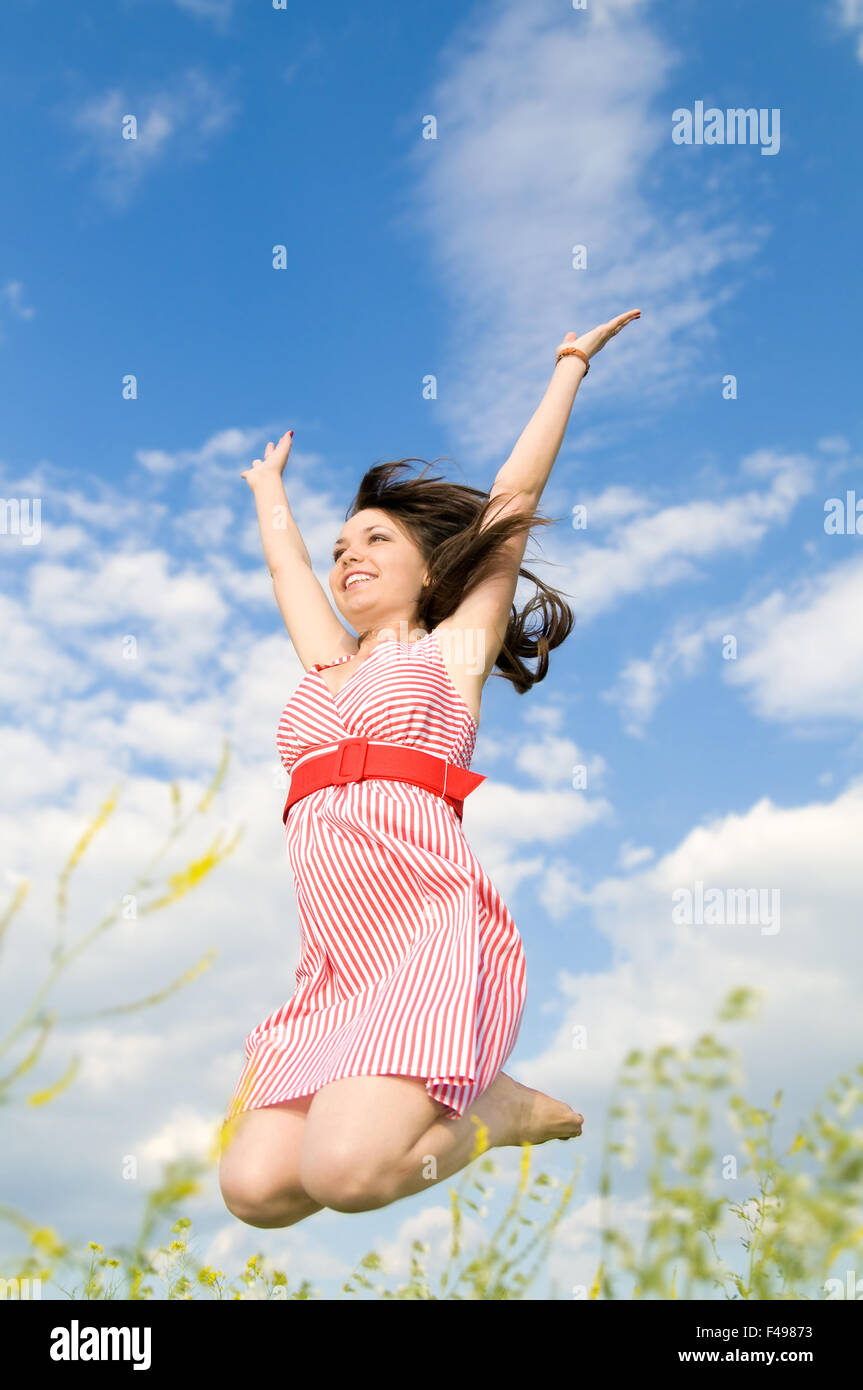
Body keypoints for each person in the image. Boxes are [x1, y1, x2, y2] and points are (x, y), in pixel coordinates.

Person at [219, 313, 641, 1228]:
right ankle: (445, 1104)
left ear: (429, 565)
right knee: (254, 1192)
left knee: (351, 1177)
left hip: (422, 931)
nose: (348, 559)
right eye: (341, 549)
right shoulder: (329, 664)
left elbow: (513, 495)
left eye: (373, 541)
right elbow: (286, 570)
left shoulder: (453, 650)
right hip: (337, 956)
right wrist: (266, 492)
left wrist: (569, 365)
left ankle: (493, 1110)